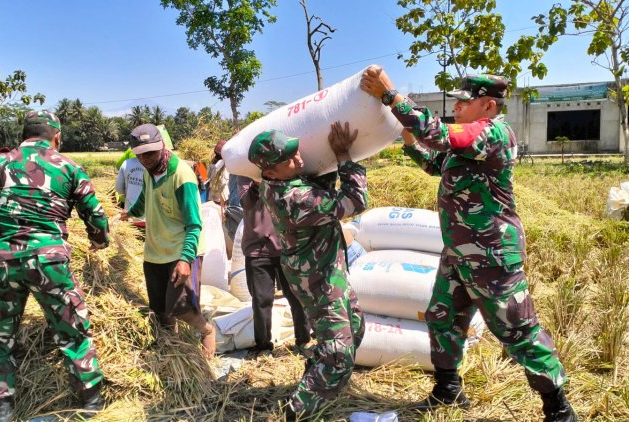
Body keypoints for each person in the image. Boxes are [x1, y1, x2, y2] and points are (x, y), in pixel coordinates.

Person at [360, 67, 577, 422]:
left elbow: (437, 133)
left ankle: (559, 409)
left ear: (488, 105)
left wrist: (390, 95)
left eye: (465, 102)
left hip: (492, 255)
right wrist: (407, 139)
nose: (457, 107)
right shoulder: (468, 144)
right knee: (442, 318)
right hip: (459, 254)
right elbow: (435, 162)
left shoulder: (494, 133)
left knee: (517, 331)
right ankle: (447, 391)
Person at [0, 111, 108, 422]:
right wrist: (100, 241)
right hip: (49, 260)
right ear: (56, 136)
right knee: (72, 329)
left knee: (1, 333)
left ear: (24, 134)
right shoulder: (69, 166)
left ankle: (1, 408)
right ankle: (91, 400)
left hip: (4, 259)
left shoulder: (2, 161)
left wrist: (6, 153)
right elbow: (95, 215)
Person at [248, 123, 366, 418]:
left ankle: (315, 371)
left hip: (327, 272)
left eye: (296, 151)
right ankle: (297, 411)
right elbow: (354, 201)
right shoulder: (293, 199)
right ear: (271, 172)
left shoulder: (285, 183)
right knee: (339, 356)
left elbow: (317, 182)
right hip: (319, 281)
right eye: (289, 159)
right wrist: (344, 156)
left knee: (355, 326)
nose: (299, 159)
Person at [123, 123, 216, 358]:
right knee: (161, 308)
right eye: (140, 154)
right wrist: (130, 213)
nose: (145, 159)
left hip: (180, 250)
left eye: (151, 153)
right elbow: (145, 198)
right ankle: (172, 353)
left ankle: (207, 331)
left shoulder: (181, 176)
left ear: (162, 146)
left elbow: (194, 224)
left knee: (180, 306)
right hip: (155, 250)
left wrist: (186, 259)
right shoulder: (148, 171)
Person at [238, 175, 311, 356]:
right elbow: (247, 203)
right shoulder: (244, 175)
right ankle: (263, 346)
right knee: (261, 301)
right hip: (257, 249)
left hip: (287, 246)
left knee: (296, 297)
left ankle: (304, 341)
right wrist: (256, 182)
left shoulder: (284, 170)